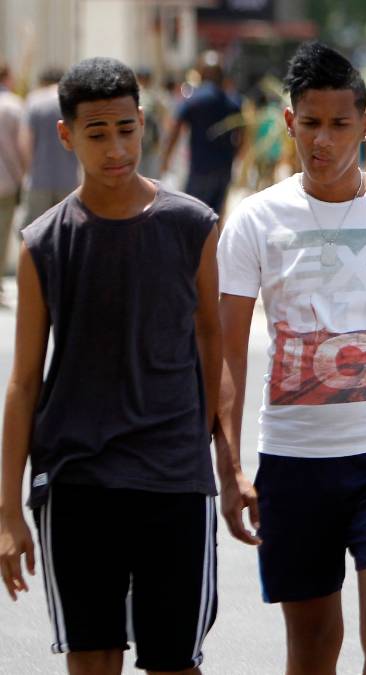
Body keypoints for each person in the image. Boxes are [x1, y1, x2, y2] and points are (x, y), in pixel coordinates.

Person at [215, 41, 366, 675]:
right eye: (310, 123)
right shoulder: (254, 221)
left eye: (339, 124)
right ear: (289, 122)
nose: (323, 140)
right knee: (313, 644)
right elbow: (227, 353)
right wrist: (229, 466)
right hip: (293, 460)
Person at [0, 56, 221, 674]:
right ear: (66, 134)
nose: (116, 148)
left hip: (173, 479)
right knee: (92, 660)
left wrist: (204, 445)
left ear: (144, 124)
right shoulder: (43, 243)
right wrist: (8, 510)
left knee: (174, 661)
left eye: (126, 129)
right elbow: (23, 381)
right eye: (97, 133)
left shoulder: (192, 225)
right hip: (77, 479)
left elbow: (211, 338)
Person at [162, 51, 243, 218]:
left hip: (199, 167)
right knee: (216, 215)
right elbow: (242, 134)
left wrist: (166, 158)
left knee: (192, 215)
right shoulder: (233, 102)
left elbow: (176, 129)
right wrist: (235, 155)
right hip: (224, 168)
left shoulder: (193, 100)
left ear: (201, 73)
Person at [18, 68, 80, 229]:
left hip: (39, 178)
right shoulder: (72, 101)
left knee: (36, 230)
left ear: (42, 82)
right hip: (69, 178)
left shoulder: (34, 101)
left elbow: (25, 142)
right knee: (67, 228)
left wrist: (27, 172)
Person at [0, 60, 24, 288]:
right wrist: (21, 177)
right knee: (2, 233)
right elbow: (20, 146)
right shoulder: (13, 105)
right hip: (5, 180)